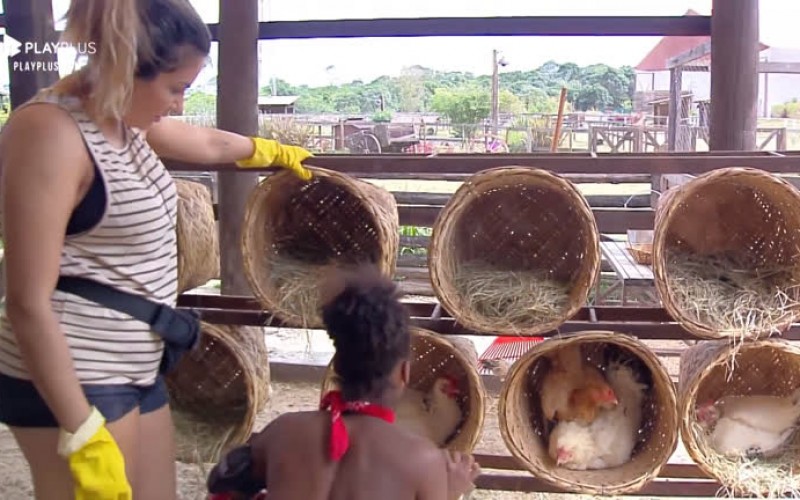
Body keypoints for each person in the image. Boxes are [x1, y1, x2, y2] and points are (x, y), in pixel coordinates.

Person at [0, 0, 313, 498]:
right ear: (126, 68)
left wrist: (268, 152)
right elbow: (25, 300)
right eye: (176, 88)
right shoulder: (49, 133)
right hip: (76, 371)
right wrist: (80, 429)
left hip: (136, 363)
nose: (179, 105)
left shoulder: (125, 120)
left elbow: (207, 144)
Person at [206, 264, 481, 500]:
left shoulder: (282, 431)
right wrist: (450, 490)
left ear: (337, 365)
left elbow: (224, 485)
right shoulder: (421, 459)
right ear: (403, 374)